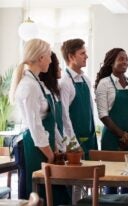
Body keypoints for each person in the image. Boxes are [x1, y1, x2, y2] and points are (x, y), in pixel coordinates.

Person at [8, 39, 70, 205]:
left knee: (54, 194)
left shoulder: (38, 83)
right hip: (34, 148)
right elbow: (35, 127)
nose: (51, 60)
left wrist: (59, 147)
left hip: (44, 147)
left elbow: (51, 123)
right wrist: (50, 154)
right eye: (49, 56)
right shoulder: (29, 86)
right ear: (41, 58)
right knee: (39, 195)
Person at [94, 48, 128, 194]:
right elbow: (103, 114)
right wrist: (122, 135)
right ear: (111, 62)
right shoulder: (104, 84)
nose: (125, 62)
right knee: (111, 181)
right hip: (112, 139)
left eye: (126, 59)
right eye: (121, 59)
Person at [60, 38, 97, 160]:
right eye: (82, 53)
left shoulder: (85, 79)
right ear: (71, 57)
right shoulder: (65, 82)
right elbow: (63, 116)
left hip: (90, 140)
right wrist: (73, 144)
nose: (86, 56)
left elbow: (90, 111)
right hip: (75, 143)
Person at [39, 52, 64, 151]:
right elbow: (53, 127)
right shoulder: (44, 91)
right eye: (58, 65)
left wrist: (68, 146)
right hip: (48, 146)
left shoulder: (53, 91)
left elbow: (61, 125)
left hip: (58, 144)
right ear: (51, 68)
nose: (60, 69)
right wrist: (64, 147)